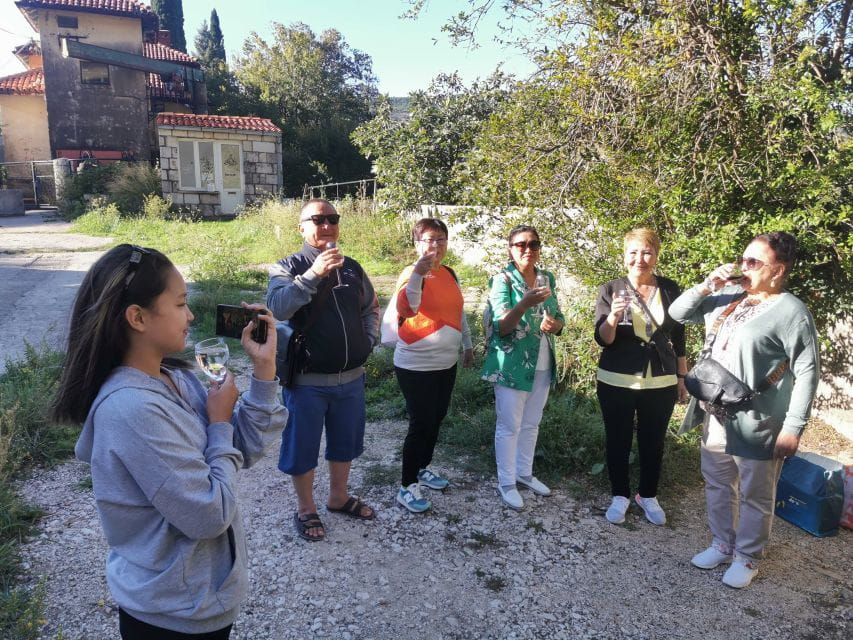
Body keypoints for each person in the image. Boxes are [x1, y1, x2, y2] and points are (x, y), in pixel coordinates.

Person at [51, 244, 286, 639]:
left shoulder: (176, 378)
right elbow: (209, 515)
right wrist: (218, 422)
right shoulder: (132, 411)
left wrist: (264, 370)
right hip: (170, 616)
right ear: (137, 317)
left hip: (198, 600)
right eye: (180, 304)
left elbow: (239, 449)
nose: (191, 315)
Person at [669, 231, 819, 588]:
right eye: (743, 259)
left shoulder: (791, 312)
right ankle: (723, 544)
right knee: (718, 484)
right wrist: (706, 286)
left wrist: (793, 428)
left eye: (754, 262)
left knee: (756, 492)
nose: (744, 267)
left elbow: (808, 371)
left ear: (778, 269)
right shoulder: (729, 295)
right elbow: (676, 313)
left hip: (758, 420)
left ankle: (748, 557)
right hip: (715, 413)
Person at [267, 198, 380, 541]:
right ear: (302, 227)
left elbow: (371, 306)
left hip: (351, 379)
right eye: (318, 219)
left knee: (345, 442)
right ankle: (305, 508)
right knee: (303, 446)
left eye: (333, 218)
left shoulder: (353, 267)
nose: (327, 224)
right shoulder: (285, 266)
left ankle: (338, 497)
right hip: (307, 381)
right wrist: (313, 275)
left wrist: (369, 340)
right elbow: (278, 308)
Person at [594, 228, 688, 526]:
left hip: (661, 379)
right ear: (625, 257)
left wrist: (682, 376)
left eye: (646, 252)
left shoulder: (671, 289)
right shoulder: (610, 289)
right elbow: (603, 339)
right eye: (633, 252)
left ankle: (647, 495)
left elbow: (680, 334)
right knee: (618, 439)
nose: (640, 259)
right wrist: (612, 317)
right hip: (616, 378)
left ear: (656, 255)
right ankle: (620, 495)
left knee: (654, 440)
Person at [391, 218, 474, 513]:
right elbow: (409, 306)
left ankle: (423, 468)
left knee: (436, 418)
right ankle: (407, 485)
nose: (435, 245)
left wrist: (468, 343)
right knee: (421, 422)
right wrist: (417, 273)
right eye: (428, 239)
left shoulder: (450, 273)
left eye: (441, 239)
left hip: (445, 362)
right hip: (415, 364)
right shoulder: (410, 273)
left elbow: (459, 311)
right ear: (417, 244)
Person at [482, 225, 565, 510]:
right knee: (509, 425)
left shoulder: (547, 277)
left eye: (534, 244)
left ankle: (524, 473)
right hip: (511, 364)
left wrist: (555, 325)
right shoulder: (502, 280)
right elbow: (501, 326)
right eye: (520, 244)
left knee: (531, 423)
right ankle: (506, 482)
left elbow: (559, 317)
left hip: (542, 361)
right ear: (510, 248)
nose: (527, 249)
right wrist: (523, 304)